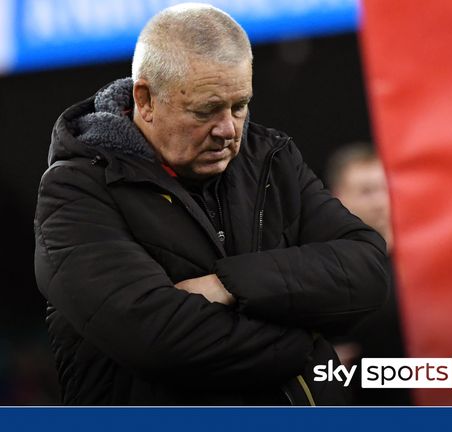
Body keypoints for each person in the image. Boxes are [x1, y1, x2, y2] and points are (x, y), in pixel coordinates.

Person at [33, 3, 388, 405]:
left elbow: (367, 270)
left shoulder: (270, 156)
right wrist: (309, 344)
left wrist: (230, 285)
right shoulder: (75, 191)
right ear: (145, 100)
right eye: (206, 110)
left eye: (240, 106)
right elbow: (157, 339)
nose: (228, 129)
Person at [326, 143, 412, 406]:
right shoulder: (325, 274)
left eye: (386, 188)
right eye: (366, 191)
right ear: (337, 198)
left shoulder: (426, 265)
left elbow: (448, 369)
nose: (380, 201)